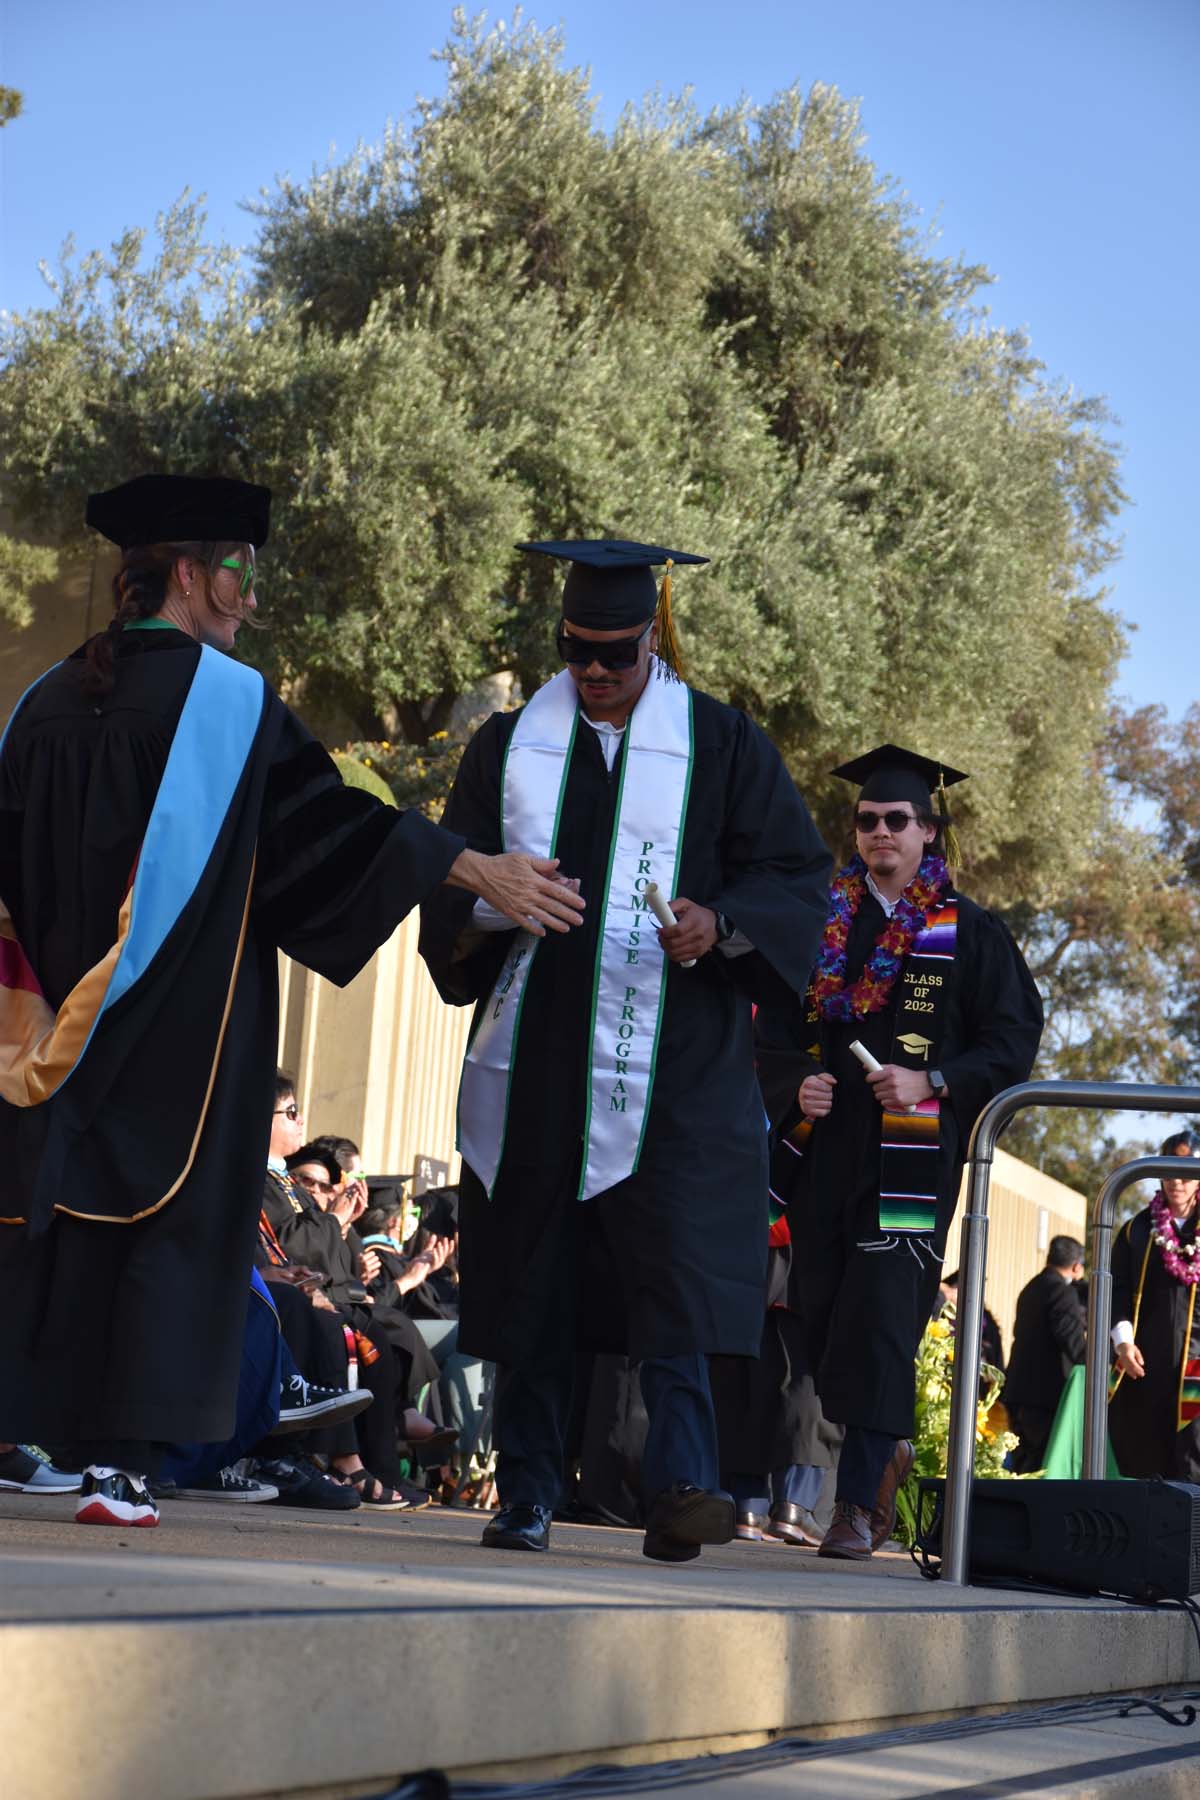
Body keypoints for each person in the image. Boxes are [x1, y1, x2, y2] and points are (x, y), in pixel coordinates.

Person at [0, 473, 584, 1528]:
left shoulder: (37, 703)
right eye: (239, 575)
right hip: (182, 1032)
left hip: (47, 1030)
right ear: (186, 575)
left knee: (60, 1225)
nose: (250, 599)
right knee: (163, 1234)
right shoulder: (225, 704)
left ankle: (33, 1439)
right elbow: (331, 830)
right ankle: (128, 1460)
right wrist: (473, 870)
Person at [420, 538, 831, 1561]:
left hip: (673, 1063)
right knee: (533, 1279)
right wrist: (491, 892)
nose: (596, 674)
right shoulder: (507, 747)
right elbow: (448, 875)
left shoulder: (723, 745)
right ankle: (524, 1494)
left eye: (615, 654)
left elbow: (793, 878)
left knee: (676, 1280)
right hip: (537, 1056)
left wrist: (719, 925)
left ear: (654, 637)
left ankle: (685, 1487)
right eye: (578, 653)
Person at [757, 743, 1043, 1561]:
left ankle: (852, 1504)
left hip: (911, 1157)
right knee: (822, 1320)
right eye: (867, 819)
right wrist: (796, 1083)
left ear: (928, 833)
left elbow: (1014, 1037)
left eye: (897, 820)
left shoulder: (971, 931)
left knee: (883, 1319)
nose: (879, 831)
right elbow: (772, 1029)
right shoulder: (818, 921)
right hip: (824, 1153)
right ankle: (885, 1457)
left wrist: (937, 1079)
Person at [1108, 1130, 1200, 1483]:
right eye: (1170, 1169)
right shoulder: (1137, 1231)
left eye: (1187, 1171)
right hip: (1147, 1363)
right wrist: (1123, 1341)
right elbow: (1116, 1289)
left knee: (1193, 1456)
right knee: (1148, 1463)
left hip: (1196, 1368)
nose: (1177, 1181)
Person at [1004, 1236, 1086, 1474]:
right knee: (1039, 1464)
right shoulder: (1062, 1292)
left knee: (1021, 1463)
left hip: (1019, 1389)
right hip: (1044, 1395)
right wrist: (1100, 1363)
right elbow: (1071, 1340)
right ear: (1076, 1266)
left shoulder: (1031, 1287)